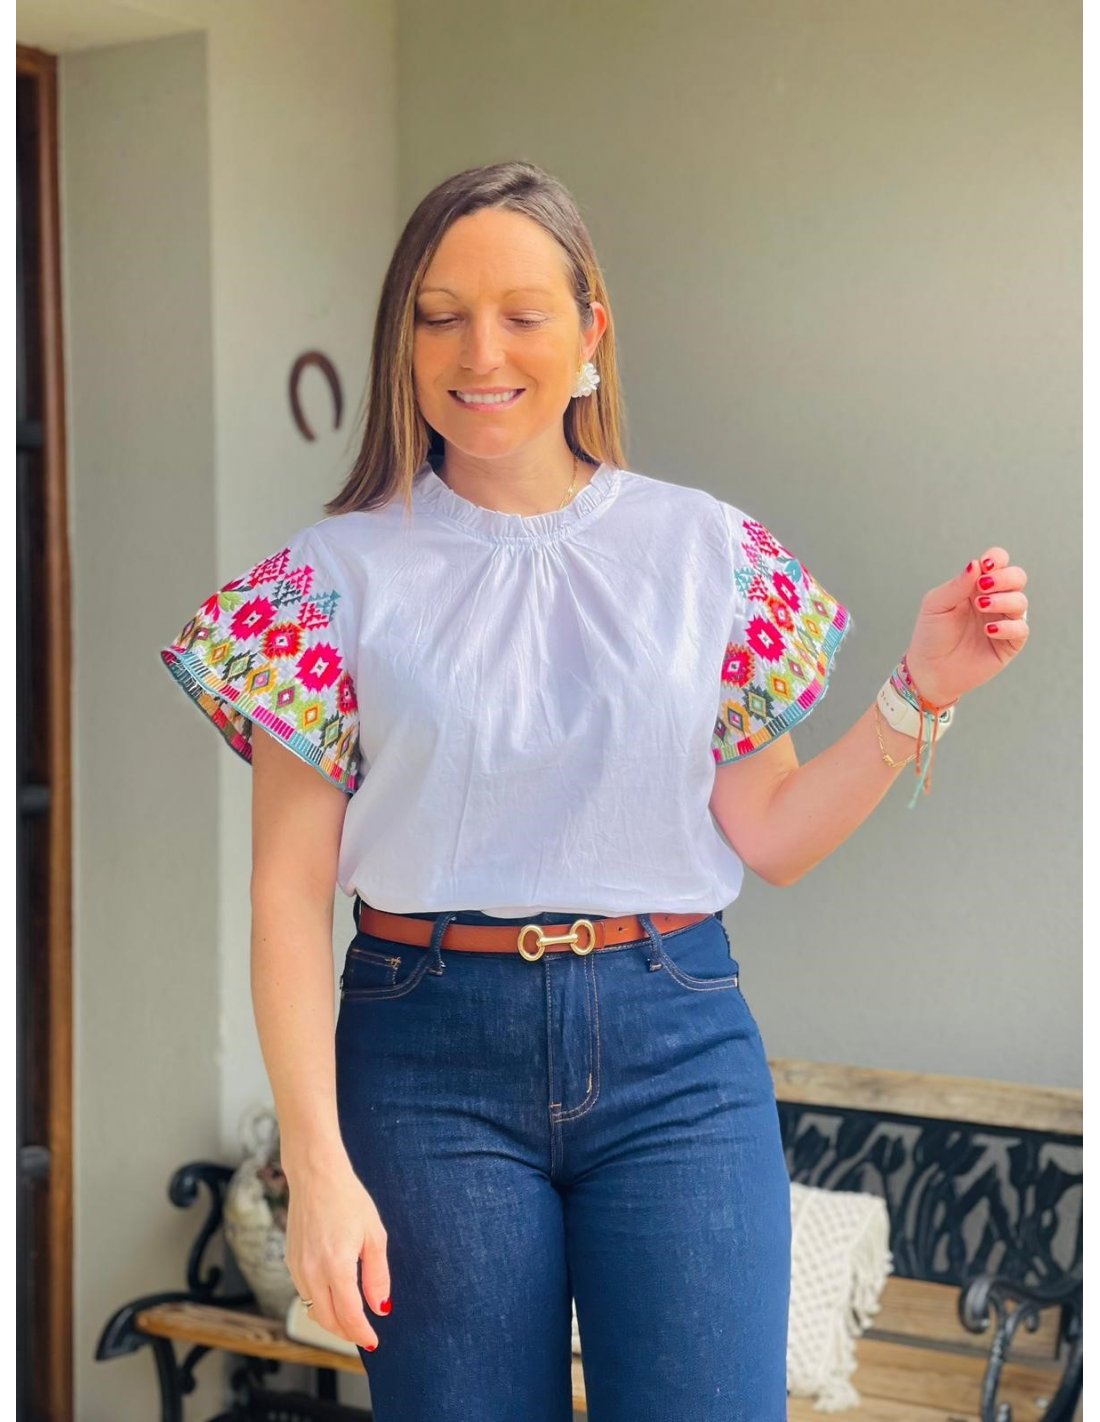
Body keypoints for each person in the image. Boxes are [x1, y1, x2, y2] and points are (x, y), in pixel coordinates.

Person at [158, 160, 1029, 1422]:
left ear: (588, 334)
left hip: (674, 1046)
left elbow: (772, 833)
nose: (480, 352)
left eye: (522, 313)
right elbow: (287, 899)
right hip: (424, 1058)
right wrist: (317, 1166)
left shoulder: (704, 550)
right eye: (440, 315)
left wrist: (919, 691)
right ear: (404, 340)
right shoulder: (326, 580)